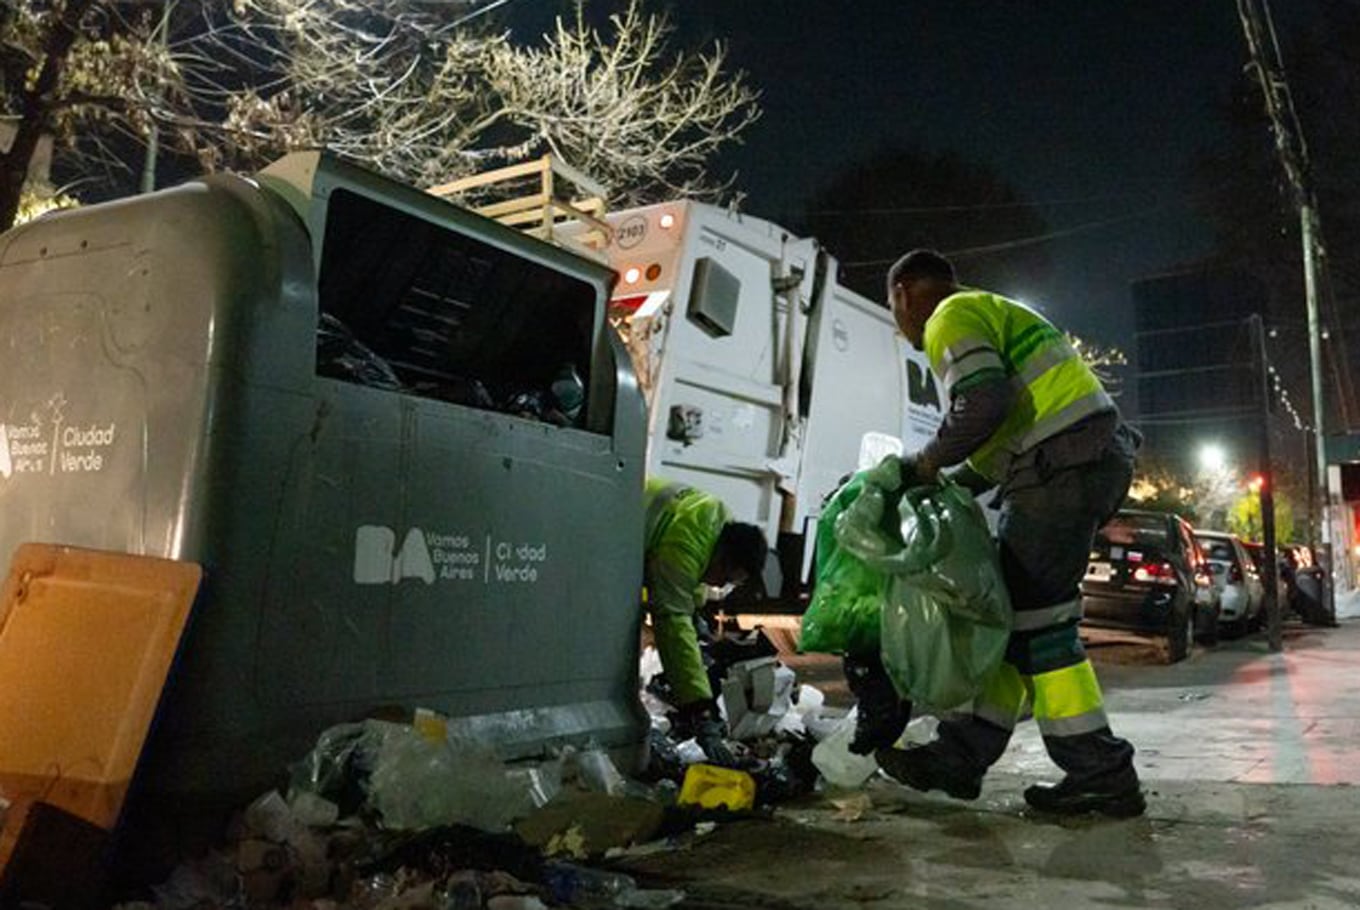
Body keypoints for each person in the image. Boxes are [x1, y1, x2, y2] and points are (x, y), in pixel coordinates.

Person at [863, 248, 1145, 818]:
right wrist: (956, 482)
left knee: (1042, 625)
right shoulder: (989, 311)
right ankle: (961, 757)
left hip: (1060, 467)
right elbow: (1002, 433)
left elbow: (982, 403)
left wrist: (924, 465)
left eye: (893, 305)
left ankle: (1099, 772)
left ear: (903, 292)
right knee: (1015, 620)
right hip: (1079, 459)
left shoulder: (950, 316)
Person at [644, 476, 769, 767]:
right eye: (724, 579)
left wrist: (696, 613)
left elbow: (695, 575)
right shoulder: (682, 547)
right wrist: (702, 714)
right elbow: (672, 625)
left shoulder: (713, 521)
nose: (719, 585)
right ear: (724, 560)